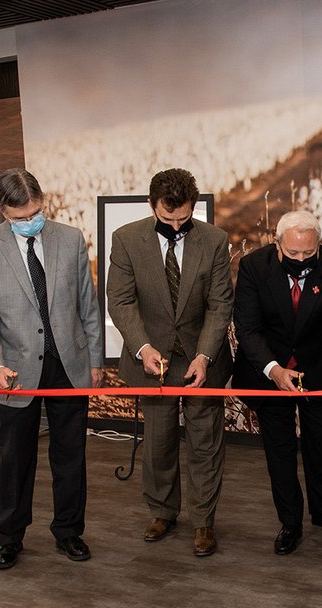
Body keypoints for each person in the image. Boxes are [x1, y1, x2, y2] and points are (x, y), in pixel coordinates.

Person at [0, 168, 103, 570]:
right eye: (21, 217)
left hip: (69, 365)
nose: (30, 222)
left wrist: (95, 361)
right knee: (15, 459)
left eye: (36, 213)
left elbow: (87, 307)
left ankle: (69, 531)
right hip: (15, 370)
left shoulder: (71, 239)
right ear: (2, 210)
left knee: (70, 456)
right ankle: (10, 537)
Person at [106, 168, 233, 558]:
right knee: (158, 441)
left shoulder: (214, 241)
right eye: (168, 219)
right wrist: (142, 347)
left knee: (204, 443)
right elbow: (121, 301)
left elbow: (220, 303)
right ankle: (162, 512)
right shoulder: (126, 239)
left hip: (201, 358)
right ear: (152, 205)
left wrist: (205, 355)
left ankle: (203, 521)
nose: (177, 227)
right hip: (152, 359)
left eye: (184, 219)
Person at [232, 210, 322, 555]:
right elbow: (247, 328)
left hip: (318, 370)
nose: (301, 260)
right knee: (281, 451)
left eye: (309, 253)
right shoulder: (254, 267)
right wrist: (273, 370)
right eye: (293, 254)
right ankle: (290, 522)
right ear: (277, 244)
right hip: (269, 371)